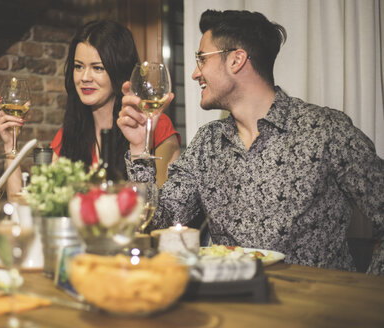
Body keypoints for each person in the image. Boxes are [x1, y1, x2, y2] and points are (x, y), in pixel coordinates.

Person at [117, 10, 384, 273]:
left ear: (236, 60)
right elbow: (157, 223)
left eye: (202, 59)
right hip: (233, 306)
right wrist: (140, 149)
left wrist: (368, 294)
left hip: (314, 309)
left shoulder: (326, 131)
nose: (195, 74)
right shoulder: (207, 143)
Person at [0, 20, 181, 196]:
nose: (84, 77)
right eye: (79, 66)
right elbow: (28, 205)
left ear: (118, 71)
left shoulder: (153, 126)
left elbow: (156, 209)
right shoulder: (69, 135)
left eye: (97, 68)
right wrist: (11, 146)